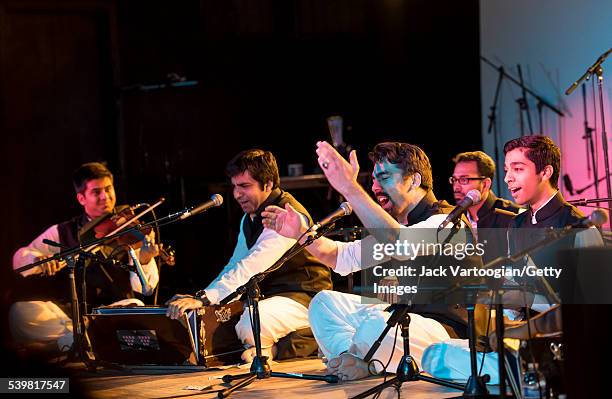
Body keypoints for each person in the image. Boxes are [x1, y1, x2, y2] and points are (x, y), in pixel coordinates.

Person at [263, 141, 478, 381]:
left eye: (384, 177)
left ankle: (366, 360)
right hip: (402, 320)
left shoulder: (448, 222)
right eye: (374, 179)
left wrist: (349, 187)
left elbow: (401, 244)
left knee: (375, 323)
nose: (375, 187)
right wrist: (302, 234)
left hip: (445, 332)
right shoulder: (397, 227)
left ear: (415, 180)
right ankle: (352, 360)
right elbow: (341, 258)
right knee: (324, 303)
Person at [165, 149, 332, 363]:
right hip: (272, 298)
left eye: (244, 186)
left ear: (268, 184)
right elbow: (235, 264)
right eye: (234, 186)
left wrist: (205, 299)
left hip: (306, 297)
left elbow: (252, 267)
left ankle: (314, 332)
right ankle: (270, 348)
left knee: (251, 326)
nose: (236, 194)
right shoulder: (249, 219)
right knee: (237, 322)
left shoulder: (286, 215)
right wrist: (203, 298)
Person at [10, 162, 159, 353]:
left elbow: (145, 289)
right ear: (81, 198)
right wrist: (36, 261)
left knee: (135, 307)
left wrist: (145, 259)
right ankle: (85, 339)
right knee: (20, 312)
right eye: (96, 192)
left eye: (108, 189)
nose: (105, 197)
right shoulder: (62, 231)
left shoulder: (130, 228)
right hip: (70, 316)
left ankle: (61, 345)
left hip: (109, 311)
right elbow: (19, 259)